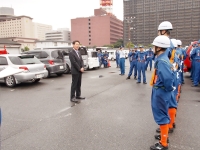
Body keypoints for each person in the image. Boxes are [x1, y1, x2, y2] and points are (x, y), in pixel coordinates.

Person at [150, 35, 174, 150]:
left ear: (159, 47)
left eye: (154, 46)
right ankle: (164, 137)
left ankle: (163, 143)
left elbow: (168, 79)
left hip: (161, 91)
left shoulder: (162, 61)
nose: (153, 48)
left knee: (161, 115)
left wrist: (167, 89)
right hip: (161, 90)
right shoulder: (163, 58)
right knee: (162, 113)